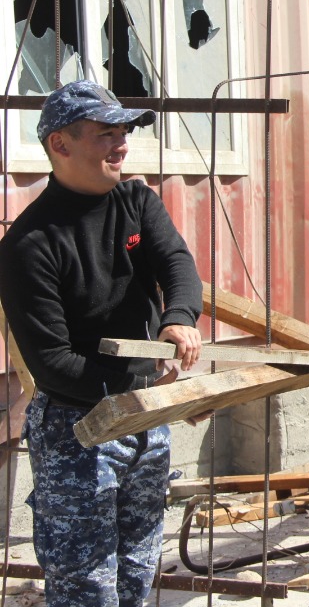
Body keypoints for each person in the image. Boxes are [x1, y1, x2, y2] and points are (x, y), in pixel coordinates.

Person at [0, 80, 203, 606]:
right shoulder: (30, 244)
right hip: (78, 428)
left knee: (138, 571)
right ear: (60, 144)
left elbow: (176, 264)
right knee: (85, 586)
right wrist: (140, 387)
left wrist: (179, 319)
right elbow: (53, 363)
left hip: (144, 418)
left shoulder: (136, 201)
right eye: (106, 133)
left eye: (124, 132)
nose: (122, 145)